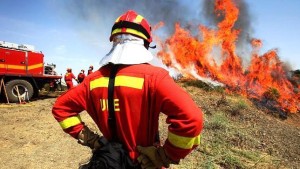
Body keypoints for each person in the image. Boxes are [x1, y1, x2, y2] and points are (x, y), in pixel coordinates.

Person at [52, 10, 203, 169]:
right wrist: (166, 155)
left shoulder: (91, 80)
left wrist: (92, 140)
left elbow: (60, 108)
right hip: (144, 163)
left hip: (109, 161)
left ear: (113, 41)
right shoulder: (155, 77)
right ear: (145, 43)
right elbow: (191, 119)